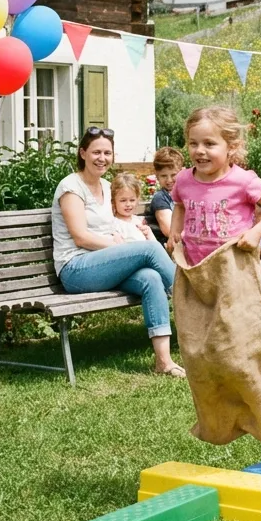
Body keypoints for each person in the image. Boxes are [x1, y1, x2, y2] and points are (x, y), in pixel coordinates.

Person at [52, 127, 182, 376]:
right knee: (150, 251)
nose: (102, 158)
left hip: (104, 265)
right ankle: (198, 305)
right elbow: (80, 236)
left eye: (107, 152)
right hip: (76, 268)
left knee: (151, 279)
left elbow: (116, 223)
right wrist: (122, 247)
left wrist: (129, 238)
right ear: (82, 153)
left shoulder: (106, 185)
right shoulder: (71, 187)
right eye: (96, 152)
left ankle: (163, 362)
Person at [166, 106, 261, 267]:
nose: (199, 150)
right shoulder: (183, 179)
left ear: (231, 147)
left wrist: (256, 233)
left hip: (234, 267)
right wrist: (174, 232)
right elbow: (180, 205)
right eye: (193, 143)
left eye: (209, 144)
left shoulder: (243, 181)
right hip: (195, 267)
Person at [149, 146, 184, 245]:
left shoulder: (186, 193)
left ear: (182, 172)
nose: (169, 180)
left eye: (173, 175)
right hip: (171, 248)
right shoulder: (160, 198)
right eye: (164, 176)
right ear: (157, 176)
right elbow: (169, 231)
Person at [111, 173, 154, 243]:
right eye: (123, 200)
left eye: (132, 200)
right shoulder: (114, 224)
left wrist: (149, 234)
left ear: (137, 199)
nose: (128, 204)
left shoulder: (138, 221)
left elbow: (154, 245)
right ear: (113, 201)